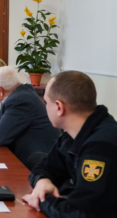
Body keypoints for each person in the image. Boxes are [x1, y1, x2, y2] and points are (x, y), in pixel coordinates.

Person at [24, 71, 117, 217]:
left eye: (46, 102)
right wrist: (43, 181)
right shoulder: (74, 134)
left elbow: (80, 213)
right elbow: (44, 168)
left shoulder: (101, 146)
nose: (45, 107)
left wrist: (41, 200)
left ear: (59, 107)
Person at [0, 66, 60, 169]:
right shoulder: (18, 95)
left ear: (0, 90)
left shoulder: (19, 100)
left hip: (39, 165)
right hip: (30, 158)